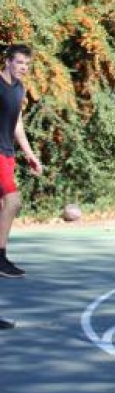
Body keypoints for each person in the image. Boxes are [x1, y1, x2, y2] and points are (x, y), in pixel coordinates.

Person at [0, 44, 43, 279]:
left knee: (4, 208)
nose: (23, 68)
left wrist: (29, 154)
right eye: (19, 63)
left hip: (7, 154)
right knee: (13, 202)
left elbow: (17, 124)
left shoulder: (19, 90)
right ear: (7, 61)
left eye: (27, 64)